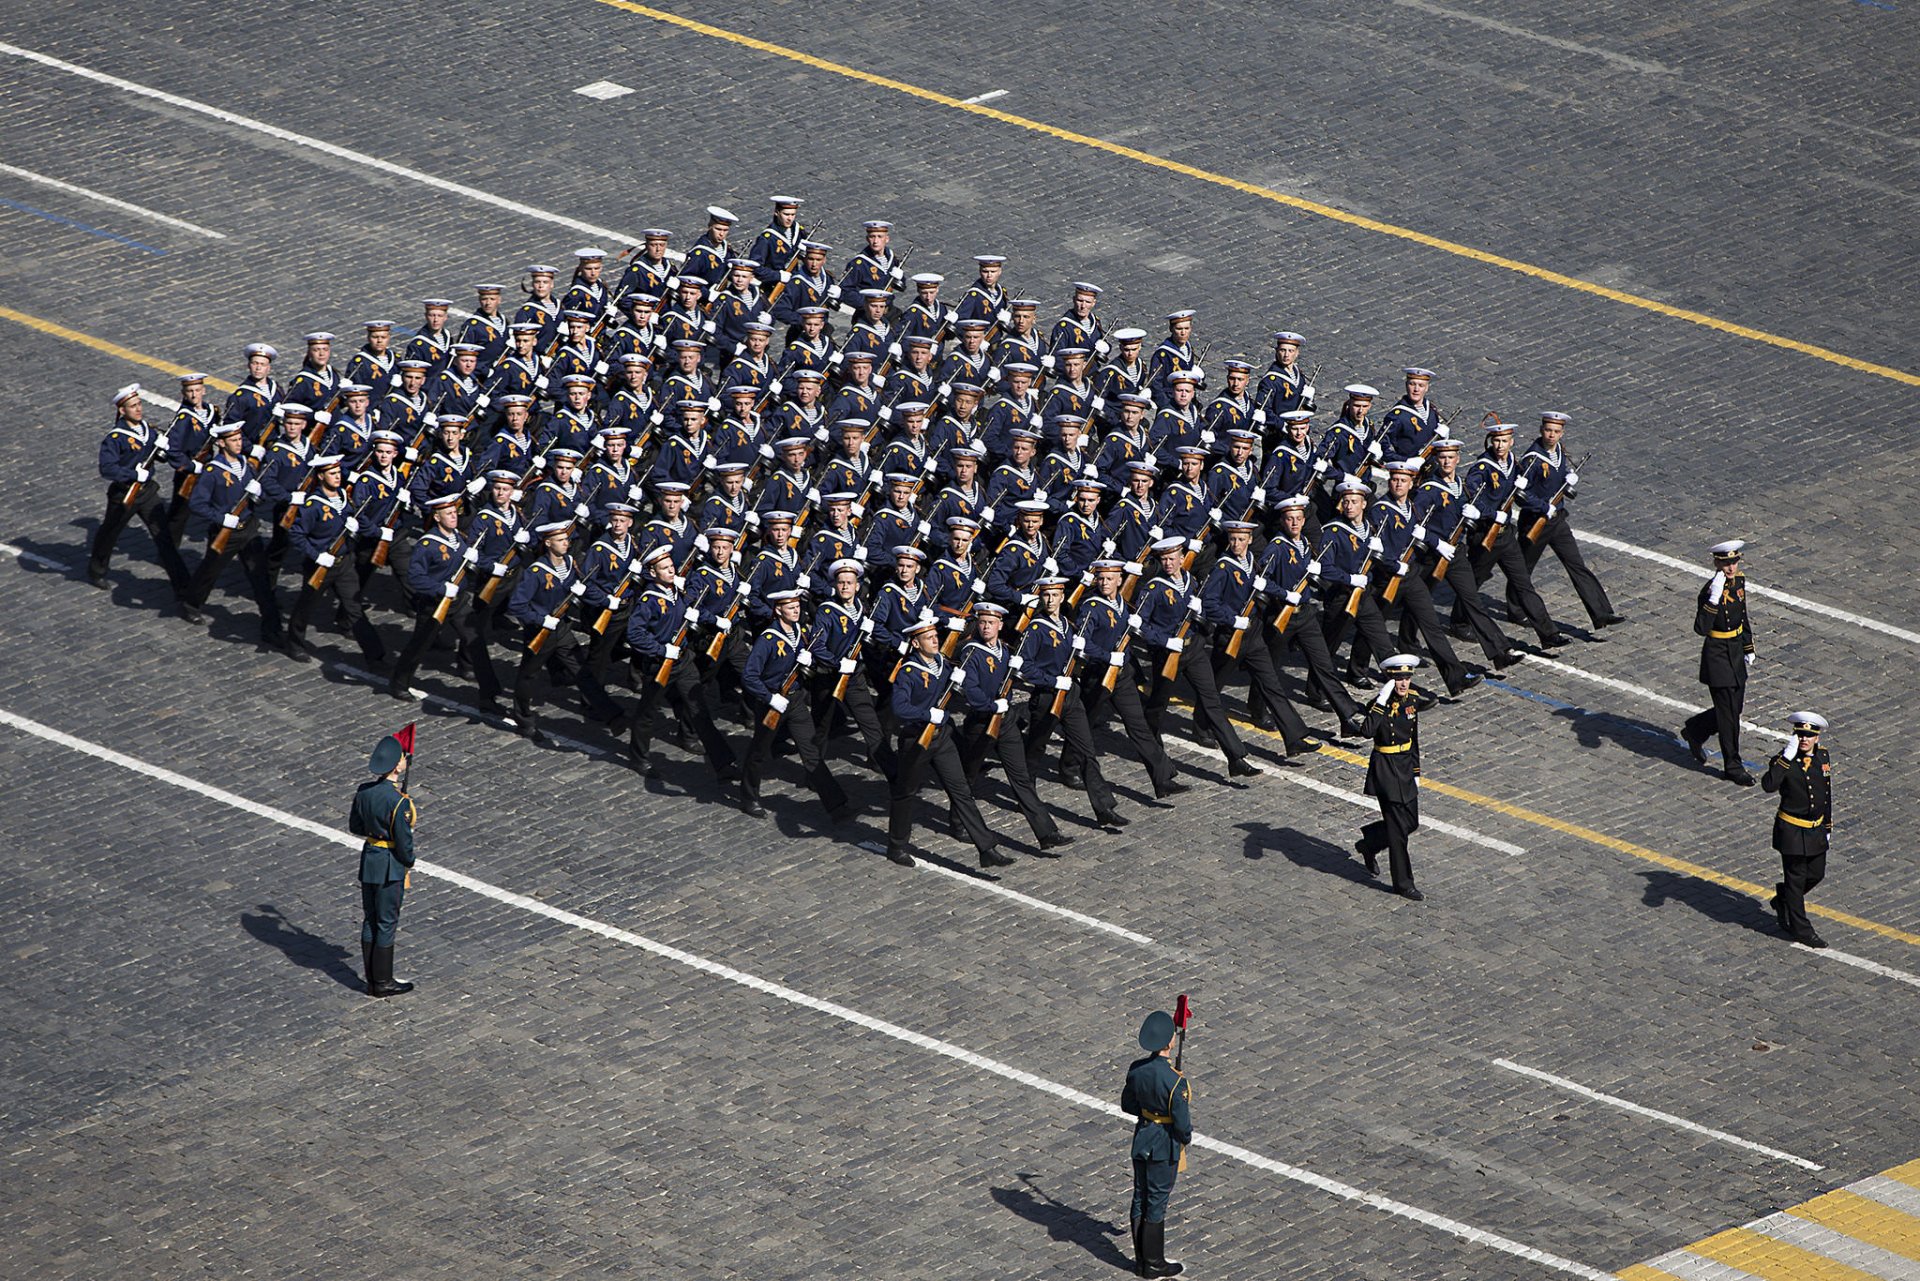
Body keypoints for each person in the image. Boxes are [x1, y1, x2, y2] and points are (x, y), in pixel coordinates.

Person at [884, 618, 1010, 868]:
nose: (934, 639)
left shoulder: (943, 663)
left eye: (935, 635)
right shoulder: (909, 671)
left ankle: (986, 847)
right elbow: (899, 707)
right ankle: (896, 845)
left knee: (961, 790)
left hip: (942, 738)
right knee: (905, 793)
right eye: (927, 637)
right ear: (916, 644)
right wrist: (926, 714)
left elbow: (960, 682)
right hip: (916, 741)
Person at [87, 383, 193, 594]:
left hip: (147, 494)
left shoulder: (148, 430)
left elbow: (158, 456)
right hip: (124, 494)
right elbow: (107, 469)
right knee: (109, 534)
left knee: (164, 538)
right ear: (122, 410)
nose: (138, 409)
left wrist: (164, 450)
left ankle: (184, 587)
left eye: (139, 404)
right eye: (133, 406)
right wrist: (133, 474)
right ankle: (96, 569)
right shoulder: (115, 438)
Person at [1354, 653, 1436, 900]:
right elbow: (1366, 731)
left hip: (1404, 767)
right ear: (1390, 679)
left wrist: (1416, 772)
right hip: (1386, 771)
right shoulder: (1379, 705)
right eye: (1399, 679)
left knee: (1411, 823)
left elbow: (1414, 740)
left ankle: (1369, 844)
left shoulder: (1412, 700)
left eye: (1407, 678)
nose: (1404, 684)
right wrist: (1381, 698)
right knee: (1399, 833)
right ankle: (1403, 883)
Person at [1121, 1008, 1191, 1278]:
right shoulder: (1176, 1081)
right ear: (1168, 1043)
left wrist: (1149, 1113)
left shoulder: (1136, 1070)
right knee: (1157, 1202)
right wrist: (1183, 1138)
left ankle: (1140, 1261)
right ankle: (1153, 1263)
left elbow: (1128, 1104)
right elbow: (1182, 1124)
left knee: (1140, 1196)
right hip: (1164, 1145)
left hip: (1142, 1138)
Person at [1681, 540, 1757, 785]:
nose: (1731, 568)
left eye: (1734, 562)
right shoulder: (1709, 591)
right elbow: (1701, 628)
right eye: (1726, 563)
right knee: (1728, 718)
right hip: (1717, 656)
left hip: (1735, 652)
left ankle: (1696, 729)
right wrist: (1712, 601)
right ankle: (1733, 767)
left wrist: (1748, 645)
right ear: (1716, 563)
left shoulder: (1739, 582)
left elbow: (1742, 615)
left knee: (1734, 709)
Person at [349, 733, 416, 998]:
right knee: (387, 922)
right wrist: (408, 861)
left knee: (370, 919)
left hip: (370, 861)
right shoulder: (398, 802)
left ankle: (371, 979)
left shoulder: (364, 791)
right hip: (390, 865)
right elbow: (404, 843)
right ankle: (384, 982)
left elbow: (355, 826)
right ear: (396, 766)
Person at [1762, 711, 1832, 948]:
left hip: (1815, 830)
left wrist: (1828, 825)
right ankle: (1802, 930)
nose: (1804, 740)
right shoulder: (1783, 761)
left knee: (1816, 874)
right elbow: (1768, 785)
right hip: (1791, 831)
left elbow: (1826, 793)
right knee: (1795, 878)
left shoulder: (1823, 757)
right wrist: (1785, 757)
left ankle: (1784, 899)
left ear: (1816, 738)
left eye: (1808, 736)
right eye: (1800, 735)